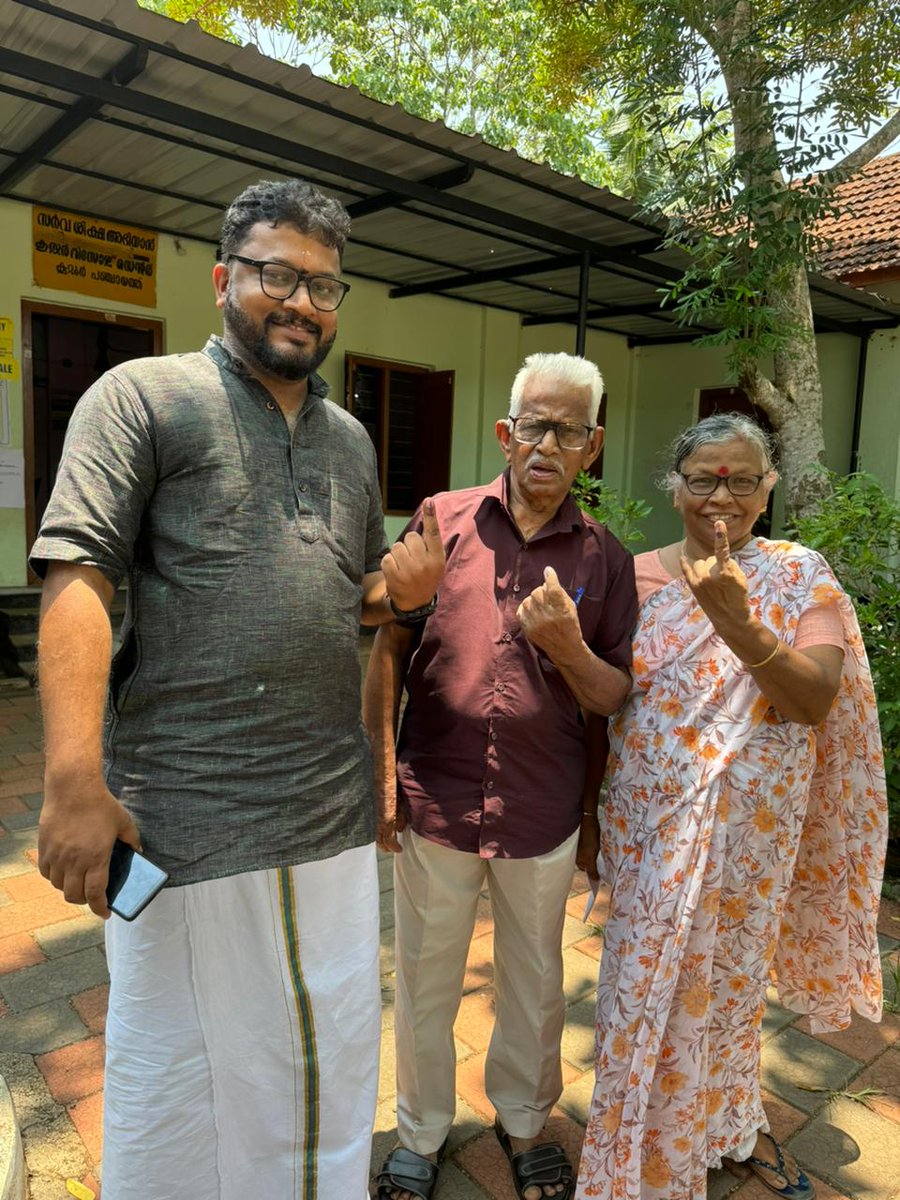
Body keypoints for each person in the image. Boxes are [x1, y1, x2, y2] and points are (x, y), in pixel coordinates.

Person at [30, 179, 444, 1200]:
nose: (301, 301)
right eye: (276, 275)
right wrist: (74, 782)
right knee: (178, 1069)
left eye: (324, 285)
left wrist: (396, 591)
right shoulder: (142, 397)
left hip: (329, 817)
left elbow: (342, 599)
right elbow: (78, 574)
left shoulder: (350, 443)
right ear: (224, 278)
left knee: (325, 1058)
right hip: (187, 816)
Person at [576, 413, 888, 1200]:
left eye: (742, 479)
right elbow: (606, 705)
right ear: (675, 488)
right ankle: (634, 1149)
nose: (723, 495)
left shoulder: (800, 574)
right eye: (705, 477)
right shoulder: (635, 577)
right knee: (640, 987)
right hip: (654, 829)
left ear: (768, 487)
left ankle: (719, 1128)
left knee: (732, 991)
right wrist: (585, 818)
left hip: (756, 836)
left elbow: (813, 699)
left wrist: (738, 621)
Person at [365, 352, 638, 1200]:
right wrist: (379, 771)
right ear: (505, 433)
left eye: (568, 430)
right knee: (425, 976)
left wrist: (566, 646)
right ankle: (419, 1131)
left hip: (541, 807)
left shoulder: (605, 558)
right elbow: (386, 638)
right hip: (434, 796)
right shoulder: (441, 521)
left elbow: (615, 694)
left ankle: (524, 1122)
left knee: (536, 978)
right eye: (533, 426)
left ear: (592, 447)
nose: (546, 445)